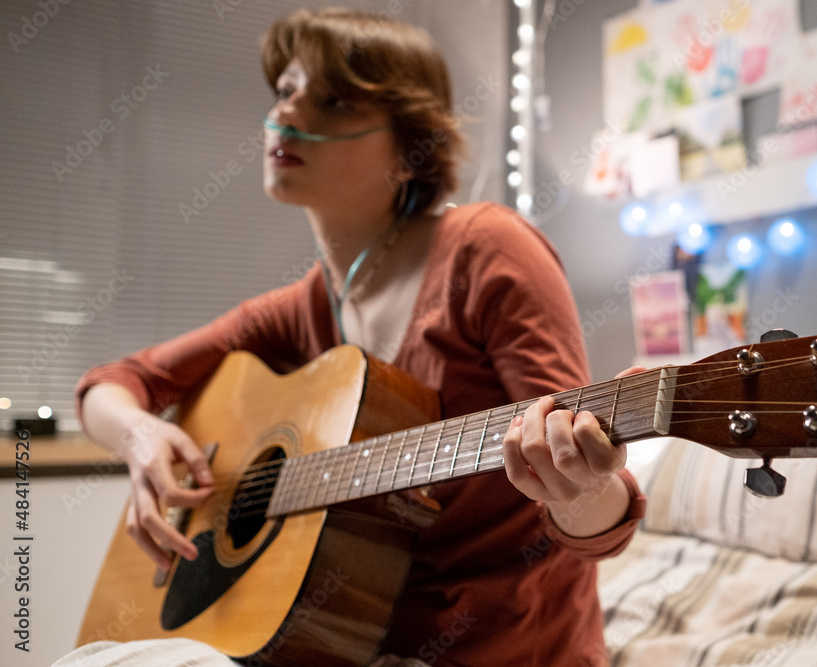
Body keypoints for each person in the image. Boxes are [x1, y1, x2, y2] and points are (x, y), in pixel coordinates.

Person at [66, 8, 645, 666]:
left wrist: (585, 487)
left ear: (407, 150)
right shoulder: (300, 307)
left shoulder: (488, 251)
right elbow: (110, 385)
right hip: (345, 644)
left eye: (333, 99)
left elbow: (581, 490)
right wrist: (140, 437)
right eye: (285, 90)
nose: (286, 115)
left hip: (506, 647)